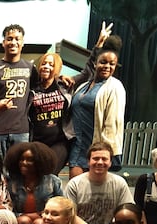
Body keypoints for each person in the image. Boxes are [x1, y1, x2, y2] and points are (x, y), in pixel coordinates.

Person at [29, 22, 114, 174]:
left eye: (51, 64)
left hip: (60, 141)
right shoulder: (32, 89)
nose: (46, 67)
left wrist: (98, 45)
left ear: (57, 68)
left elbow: (87, 71)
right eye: (44, 64)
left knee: (49, 172)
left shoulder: (65, 84)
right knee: (36, 174)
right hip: (37, 140)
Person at [3, 141, 62, 224]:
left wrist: (43, 215)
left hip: (47, 221)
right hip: (21, 221)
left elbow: (61, 205)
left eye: (29, 160)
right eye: (21, 159)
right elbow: (8, 207)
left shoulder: (52, 181)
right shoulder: (13, 182)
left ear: (39, 162)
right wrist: (35, 215)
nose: (23, 163)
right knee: (24, 221)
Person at [69, 36, 125, 178]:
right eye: (103, 62)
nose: (107, 66)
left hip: (96, 146)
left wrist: (103, 152)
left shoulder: (115, 87)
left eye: (112, 64)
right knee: (74, 191)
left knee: (93, 193)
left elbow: (112, 123)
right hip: (78, 145)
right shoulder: (83, 86)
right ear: (95, 63)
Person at [64, 142, 134, 224]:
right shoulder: (75, 184)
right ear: (88, 161)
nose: (100, 162)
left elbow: (128, 211)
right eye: (95, 158)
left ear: (110, 162)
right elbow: (70, 216)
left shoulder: (119, 183)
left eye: (104, 159)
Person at [0, 24, 35, 156]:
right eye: (9, 39)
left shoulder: (31, 68)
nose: (13, 42)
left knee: (21, 171)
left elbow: (43, 87)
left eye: (17, 39)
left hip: (22, 131)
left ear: (22, 43)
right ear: (3, 43)